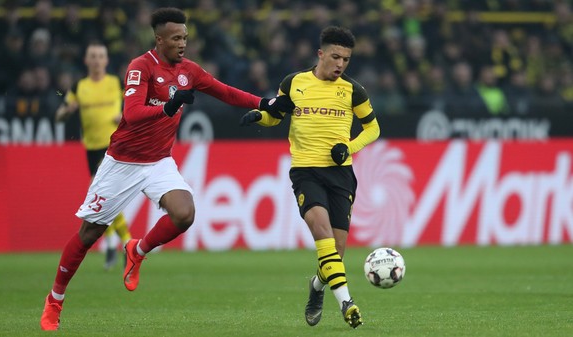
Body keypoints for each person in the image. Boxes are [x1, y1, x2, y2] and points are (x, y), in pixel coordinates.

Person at [40, 7, 294, 331]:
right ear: (159, 40)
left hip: (159, 161)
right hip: (122, 162)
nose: (182, 43)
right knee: (89, 233)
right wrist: (167, 107)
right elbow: (131, 114)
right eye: (176, 38)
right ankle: (55, 300)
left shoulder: (189, 70)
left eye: (185, 37)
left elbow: (224, 91)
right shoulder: (140, 67)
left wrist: (264, 103)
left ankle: (138, 249)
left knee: (185, 213)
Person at [240, 26, 379, 329]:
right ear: (320, 54)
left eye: (346, 59)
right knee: (322, 232)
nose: (340, 64)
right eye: (335, 57)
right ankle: (347, 303)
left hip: (341, 175)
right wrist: (258, 116)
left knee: (336, 254)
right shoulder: (294, 83)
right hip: (305, 172)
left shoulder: (353, 90)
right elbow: (276, 114)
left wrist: (349, 147)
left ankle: (317, 287)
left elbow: (373, 129)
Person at [55, 42, 132, 271]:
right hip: (92, 149)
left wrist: (123, 115)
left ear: (106, 61)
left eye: (101, 56)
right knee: (104, 198)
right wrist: (65, 112)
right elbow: (59, 115)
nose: (97, 60)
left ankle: (122, 242)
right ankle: (117, 243)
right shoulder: (80, 87)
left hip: (115, 146)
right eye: (93, 56)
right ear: (87, 61)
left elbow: (136, 103)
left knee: (101, 197)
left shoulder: (116, 83)